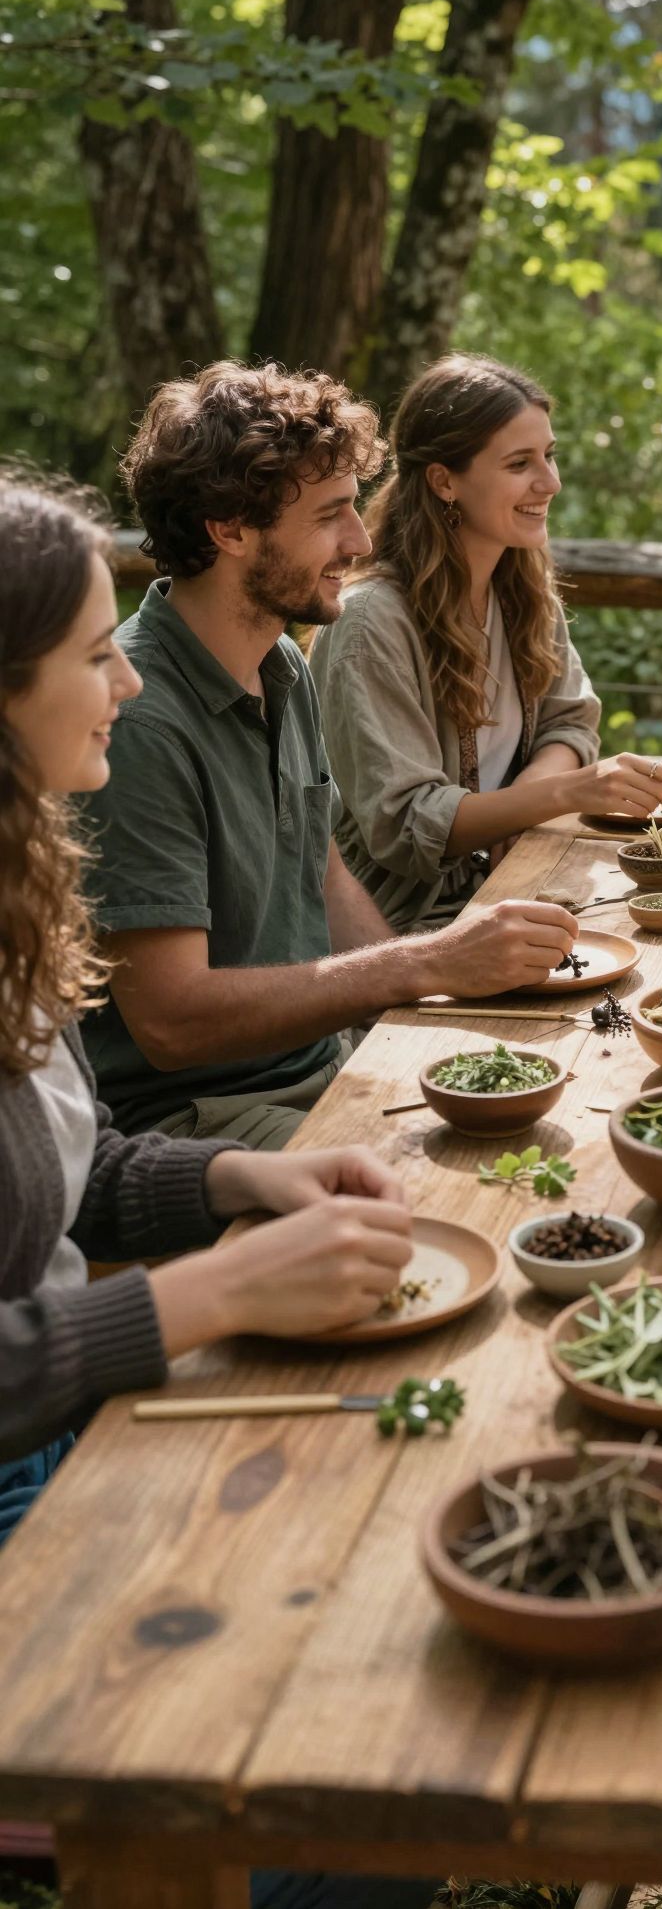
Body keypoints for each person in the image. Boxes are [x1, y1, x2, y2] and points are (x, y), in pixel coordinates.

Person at [0, 472, 415, 1533]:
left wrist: (246, 1176)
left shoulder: (21, 895)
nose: (127, 685)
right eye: (97, 658)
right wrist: (215, 1294)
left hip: (66, 1410)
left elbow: (78, 1167)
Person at [77, 361, 580, 1151]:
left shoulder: (279, 665)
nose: (362, 538)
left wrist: (420, 1019)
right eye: (331, 515)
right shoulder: (139, 719)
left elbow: (325, 872)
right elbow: (172, 1023)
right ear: (229, 529)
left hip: (318, 1066)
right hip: (195, 1124)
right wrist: (423, 966)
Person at [309, 353, 662, 929]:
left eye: (549, 456)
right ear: (444, 481)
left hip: (519, 883)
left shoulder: (523, 588)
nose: (550, 482)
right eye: (519, 464)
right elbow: (406, 825)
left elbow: (569, 722)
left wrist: (525, 806)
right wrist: (565, 794)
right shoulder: (369, 623)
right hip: (405, 930)